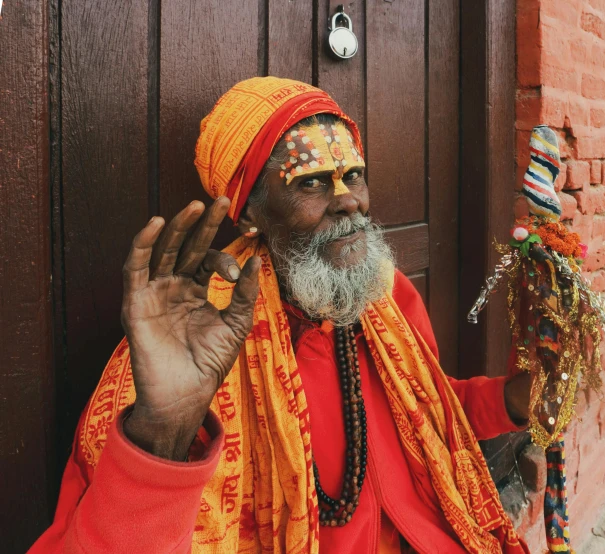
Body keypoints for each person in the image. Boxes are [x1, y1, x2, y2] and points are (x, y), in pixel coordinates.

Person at [30, 77, 532, 554]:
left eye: (353, 175)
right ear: (250, 213)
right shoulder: (194, 337)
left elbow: (427, 417)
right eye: (312, 182)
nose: (349, 203)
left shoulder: (387, 295)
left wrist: (511, 401)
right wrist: (163, 431)